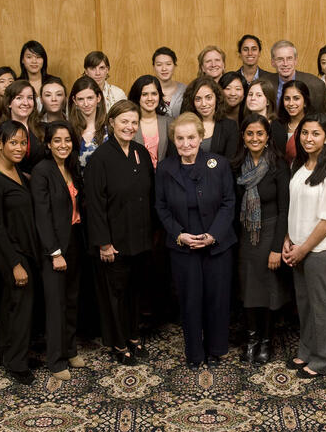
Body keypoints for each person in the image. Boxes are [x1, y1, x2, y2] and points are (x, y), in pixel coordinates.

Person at [155, 112, 236, 368]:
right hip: (183, 247)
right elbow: (161, 206)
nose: (186, 143)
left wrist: (213, 235)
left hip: (217, 246)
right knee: (190, 301)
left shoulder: (219, 164)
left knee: (217, 299)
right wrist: (179, 234)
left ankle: (217, 348)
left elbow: (228, 203)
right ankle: (195, 354)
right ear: (174, 140)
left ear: (201, 137)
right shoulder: (165, 168)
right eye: (180, 138)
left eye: (191, 137)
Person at [85, 100, 154, 364]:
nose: (129, 126)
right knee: (115, 295)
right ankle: (118, 342)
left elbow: (150, 193)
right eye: (124, 121)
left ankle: (133, 335)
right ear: (112, 122)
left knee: (135, 291)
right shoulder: (100, 158)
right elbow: (94, 204)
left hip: (140, 238)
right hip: (114, 242)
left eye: (134, 122)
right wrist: (103, 243)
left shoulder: (141, 152)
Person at [283, 113, 326, 378]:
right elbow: (295, 207)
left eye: (315, 134)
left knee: (321, 306)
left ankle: (324, 361)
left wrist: (303, 249)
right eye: (305, 133)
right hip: (298, 246)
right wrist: (288, 239)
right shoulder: (299, 164)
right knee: (305, 304)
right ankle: (307, 351)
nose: (309, 138)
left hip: (320, 250)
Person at [0, 120, 39, 385]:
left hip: (21, 246)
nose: (19, 147)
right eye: (13, 142)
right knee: (20, 303)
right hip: (7, 249)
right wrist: (15, 263)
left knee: (12, 302)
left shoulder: (17, 170)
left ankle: (11, 352)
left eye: (23, 142)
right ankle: (16, 364)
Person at [233, 114, 290, 364]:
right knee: (248, 291)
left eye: (259, 134)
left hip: (270, 234)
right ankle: (252, 339)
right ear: (243, 138)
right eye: (249, 134)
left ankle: (266, 341)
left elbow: (284, 210)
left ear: (267, 137)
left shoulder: (278, 165)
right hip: (246, 236)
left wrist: (277, 248)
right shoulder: (236, 165)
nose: (254, 138)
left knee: (269, 292)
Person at [32, 121, 86, 381]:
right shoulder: (42, 171)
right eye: (57, 141)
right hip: (54, 246)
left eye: (67, 140)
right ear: (48, 144)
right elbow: (42, 215)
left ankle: (70, 349)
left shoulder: (72, 166)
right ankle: (55, 360)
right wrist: (54, 252)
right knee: (56, 304)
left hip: (75, 240)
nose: (63, 145)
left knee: (73, 300)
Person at [179, 76, 239, 161]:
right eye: (198, 99)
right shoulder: (183, 126)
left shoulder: (230, 126)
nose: (204, 104)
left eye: (208, 97)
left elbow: (230, 162)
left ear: (217, 98)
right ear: (192, 101)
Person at [262, 40, 325, 113]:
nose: (285, 64)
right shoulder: (263, 84)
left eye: (289, 58)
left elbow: (321, 118)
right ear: (272, 62)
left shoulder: (315, 85)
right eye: (280, 59)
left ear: (295, 60)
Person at [0, 79, 46, 173]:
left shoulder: (44, 129)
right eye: (19, 98)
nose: (25, 103)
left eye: (30, 98)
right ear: (9, 103)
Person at [130, 75, 172, 167]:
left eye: (154, 94)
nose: (150, 98)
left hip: (164, 178)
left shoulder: (169, 122)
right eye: (144, 94)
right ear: (137, 96)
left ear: (159, 95)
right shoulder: (129, 124)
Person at [69, 76, 109, 168]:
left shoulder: (110, 129)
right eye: (80, 99)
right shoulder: (68, 130)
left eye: (90, 98)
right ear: (74, 101)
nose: (86, 104)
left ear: (98, 98)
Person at [241, 79, 287, 156]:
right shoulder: (244, 123)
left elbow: (280, 159)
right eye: (250, 94)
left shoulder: (276, 127)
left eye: (259, 95)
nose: (253, 98)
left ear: (268, 101)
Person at [277, 80, 312, 164]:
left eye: (296, 98)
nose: (291, 103)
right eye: (287, 99)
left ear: (305, 102)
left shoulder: (313, 125)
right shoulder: (277, 125)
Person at [152, 47, 186, 117]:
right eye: (159, 65)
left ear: (175, 66)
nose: (164, 68)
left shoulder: (185, 90)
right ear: (154, 67)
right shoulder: (147, 90)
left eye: (168, 64)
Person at [18, 40, 49, 108]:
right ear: (22, 60)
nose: (34, 61)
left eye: (38, 57)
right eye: (29, 57)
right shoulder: (16, 84)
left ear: (44, 60)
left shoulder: (54, 82)